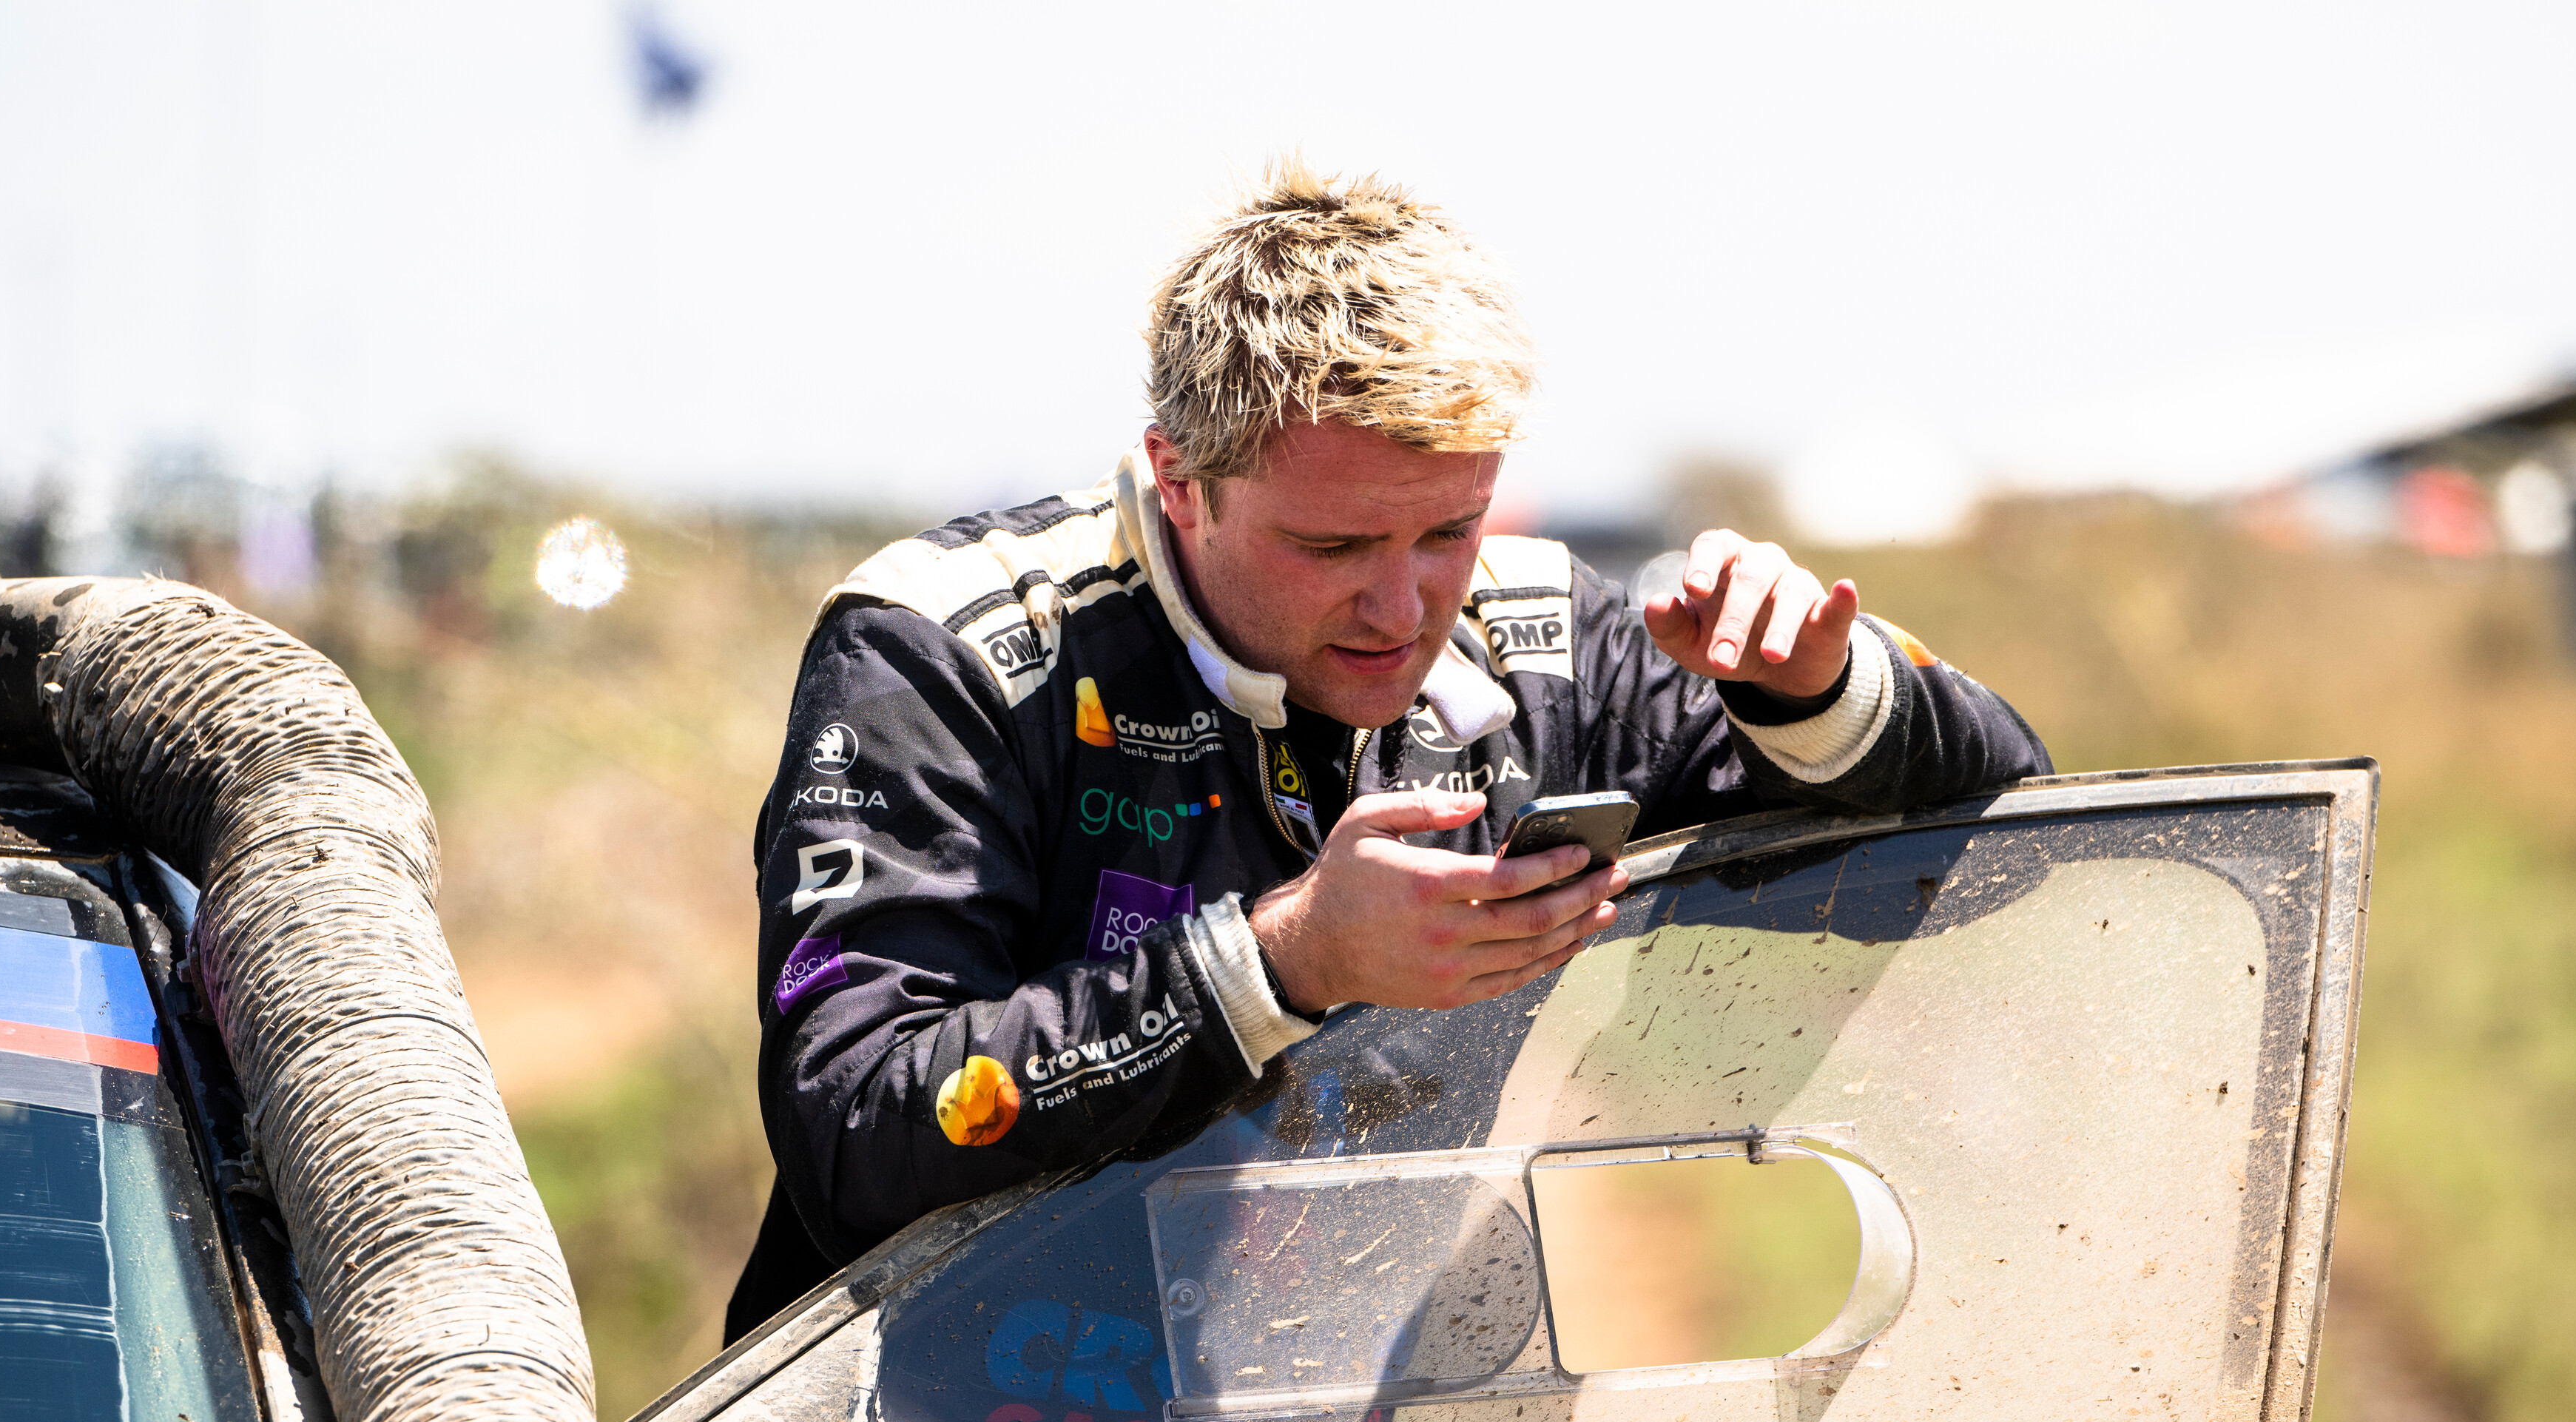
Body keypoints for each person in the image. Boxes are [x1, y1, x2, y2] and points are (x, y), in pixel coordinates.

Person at [725, 163, 2049, 1342]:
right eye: (1334, 546)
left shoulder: (1545, 634)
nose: (1404, 607)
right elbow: (858, 1124)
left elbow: (2025, 843)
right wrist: (1284, 962)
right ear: (1177, 481)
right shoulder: (944, 652)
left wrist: (1817, 692)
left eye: (1448, 531)